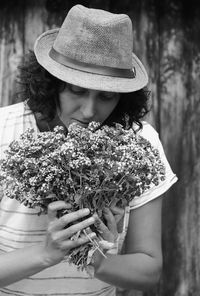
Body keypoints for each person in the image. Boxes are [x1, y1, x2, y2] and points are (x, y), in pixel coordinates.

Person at [0, 4, 177, 296]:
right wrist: (46, 253)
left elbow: (149, 270)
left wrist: (97, 259)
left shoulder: (139, 143)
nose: (89, 110)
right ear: (51, 84)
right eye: (77, 91)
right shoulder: (5, 129)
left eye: (107, 96)